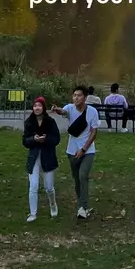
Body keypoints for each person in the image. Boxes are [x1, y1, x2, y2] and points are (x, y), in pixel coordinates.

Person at [55, 86, 99, 220]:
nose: (76, 98)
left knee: (82, 175)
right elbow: (63, 112)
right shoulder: (69, 108)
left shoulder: (92, 112)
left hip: (88, 150)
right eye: (74, 95)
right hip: (72, 150)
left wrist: (84, 149)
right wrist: (57, 110)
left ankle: (83, 207)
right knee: (77, 179)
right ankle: (82, 205)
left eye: (79, 95)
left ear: (85, 97)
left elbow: (94, 132)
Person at [22, 96, 60, 221]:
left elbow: (56, 139)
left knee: (49, 187)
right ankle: (33, 213)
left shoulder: (50, 122)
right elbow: (25, 141)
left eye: (39, 105)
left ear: (43, 108)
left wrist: (45, 139)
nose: (37, 108)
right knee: (33, 186)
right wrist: (34, 139)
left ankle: (53, 204)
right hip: (34, 157)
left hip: (47, 157)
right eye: (35, 106)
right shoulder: (29, 122)